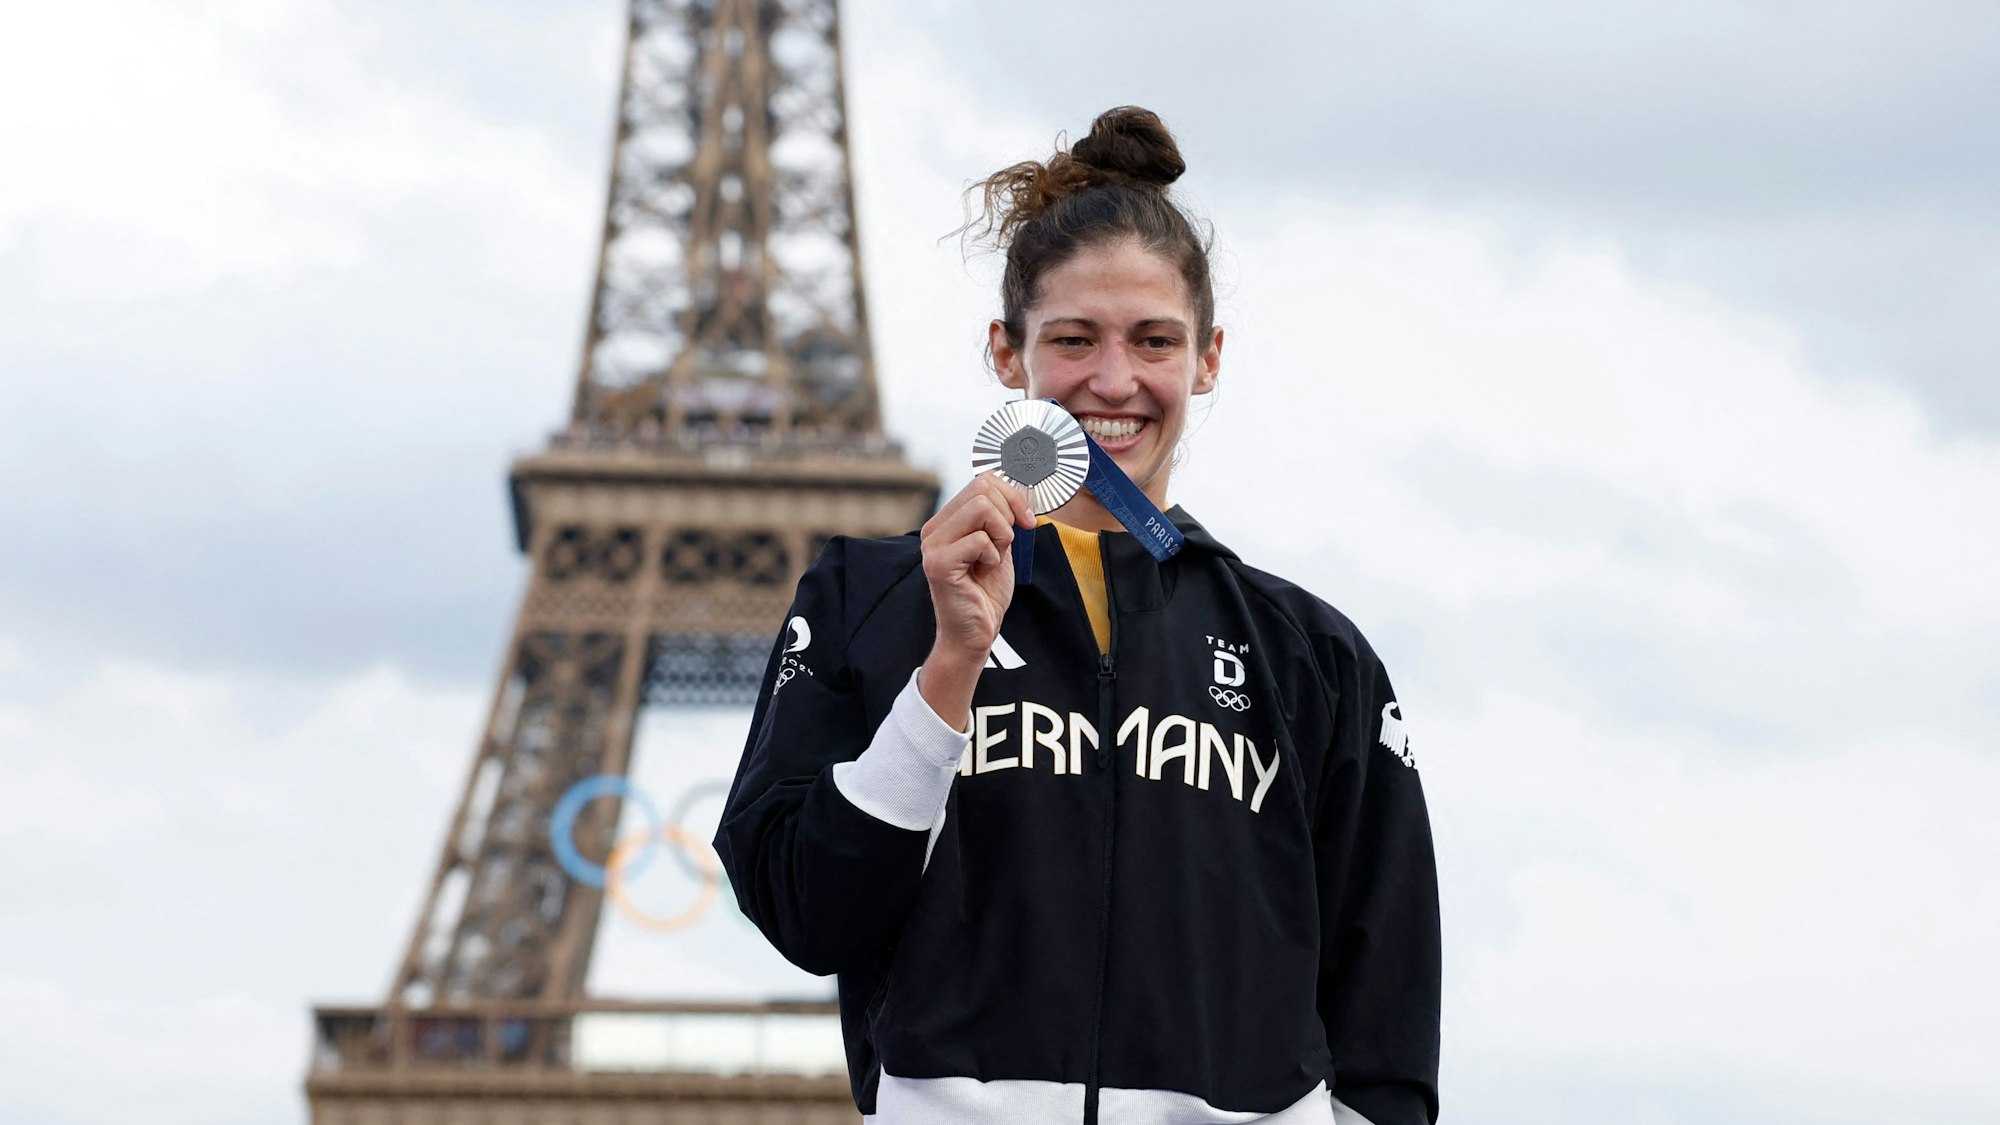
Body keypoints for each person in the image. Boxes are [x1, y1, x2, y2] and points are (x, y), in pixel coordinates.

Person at [716, 106, 1440, 1125]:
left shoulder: (1313, 656)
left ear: (1208, 358)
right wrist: (947, 670)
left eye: (1154, 341)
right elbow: (803, 912)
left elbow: (1386, 1016)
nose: (1114, 380)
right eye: (1072, 339)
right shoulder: (869, 599)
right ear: (1005, 356)